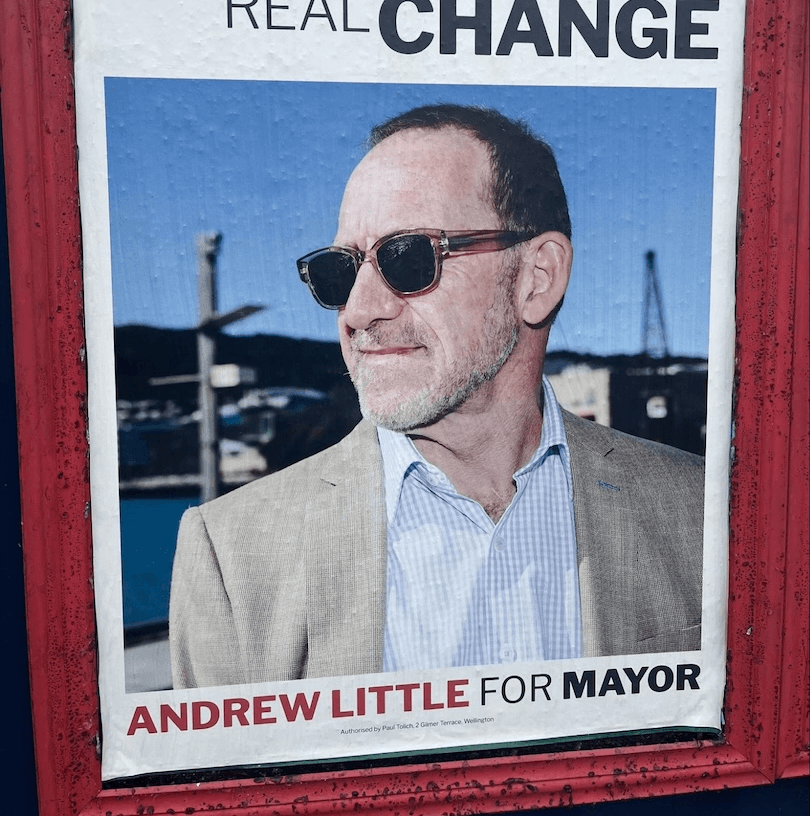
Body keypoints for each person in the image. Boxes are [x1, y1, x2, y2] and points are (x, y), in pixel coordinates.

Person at [169, 104, 703, 689]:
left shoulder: (700, 514)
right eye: (338, 272)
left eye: (408, 257)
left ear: (537, 277)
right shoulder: (231, 557)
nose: (359, 309)